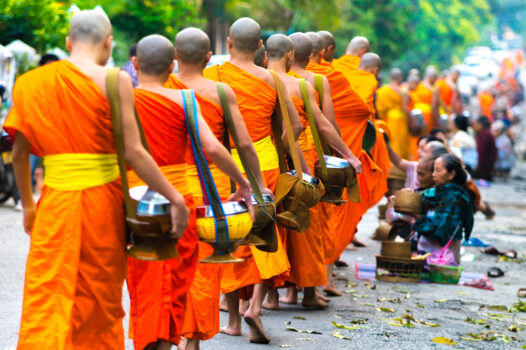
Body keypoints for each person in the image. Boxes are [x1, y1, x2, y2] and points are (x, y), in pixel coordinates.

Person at [4, 10, 189, 349]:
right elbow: (133, 151)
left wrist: (29, 205)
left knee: (48, 292)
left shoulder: (29, 84)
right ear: (108, 43)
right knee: (99, 299)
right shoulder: (115, 79)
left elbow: (19, 154)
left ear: (68, 42)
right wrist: (175, 198)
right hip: (102, 206)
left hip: (54, 203)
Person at [126, 34, 253, 350]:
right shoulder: (184, 100)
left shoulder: (123, 102)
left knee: (144, 287)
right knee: (173, 287)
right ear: (171, 65)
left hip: (132, 206)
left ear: (134, 64)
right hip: (177, 204)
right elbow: (213, 148)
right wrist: (245, 183)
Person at [166, 27, 270, 349]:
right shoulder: (221, 91)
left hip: (167, 185)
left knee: (171, 265)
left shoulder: (161, 90)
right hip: (212, 188)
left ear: (175, 56)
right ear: (209, 56)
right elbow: (243, 143)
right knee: (204, 267)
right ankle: (192, 339)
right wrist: (257, 185)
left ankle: (174, 334)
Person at [204, 17, 302, 344]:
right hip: (265, 164)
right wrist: (284, 150)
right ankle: (256, 306)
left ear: (228, 43)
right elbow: (296, 129)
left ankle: (232, 319)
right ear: (260, 45)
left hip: (225, 164)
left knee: (230, 235)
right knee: (264, 232)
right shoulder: (273, 79)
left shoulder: (211, 76)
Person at [265, 33, 362, 309]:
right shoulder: (306, 85)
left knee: (275, 225)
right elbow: (325, 125)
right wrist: (348, 155)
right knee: (306, 227)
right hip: (301, 157)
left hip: (267, 160)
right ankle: (308, 293)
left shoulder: (257, 82)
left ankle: (273, 295)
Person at [305, 31, 380, 294]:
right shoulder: (330, 77)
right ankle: (322, 281)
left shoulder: (278, 77)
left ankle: (284, 291)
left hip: (279, 155)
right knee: (323, 217)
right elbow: (361, 111)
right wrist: (345, 152)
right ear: (326, 50)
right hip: (318, 154)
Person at [411, 154, 474, 264]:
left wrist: (417, 218)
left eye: (438, 171)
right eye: (434, 170)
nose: (433, 174)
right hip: (426, 255)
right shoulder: (433, 193)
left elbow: (441, 233)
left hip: (444, 261)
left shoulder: (454, 199)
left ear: (451, 174)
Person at [377, 68, 411, 160]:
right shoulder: (404, 91)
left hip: (389, 120)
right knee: (402, 142)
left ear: (390, 77)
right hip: (402, 119)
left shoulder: (383, 91)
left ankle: (391, 164)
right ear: (400, 78)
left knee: (391, 141)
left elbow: (380, 110)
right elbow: (408, 106)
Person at [472, 116, 497, 182]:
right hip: (486, 169)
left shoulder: (485, 135)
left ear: (480, 125)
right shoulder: (486, 133)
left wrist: (478, 167)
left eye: (475, 124)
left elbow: (481, 153)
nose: (473, 127)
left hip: (483, 170)